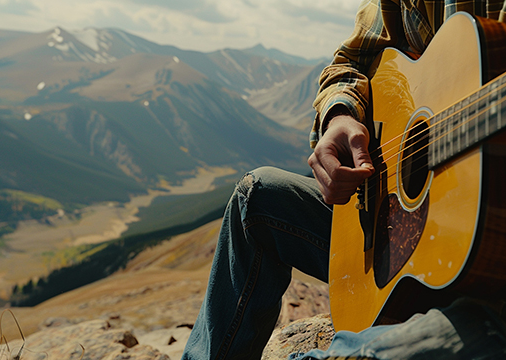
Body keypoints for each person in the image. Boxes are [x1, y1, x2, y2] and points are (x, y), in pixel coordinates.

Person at [181, 1, 506, 359]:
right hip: (414, 237)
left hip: (490, 280)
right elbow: (353, 60)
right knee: (257, 200)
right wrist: (340, 114)